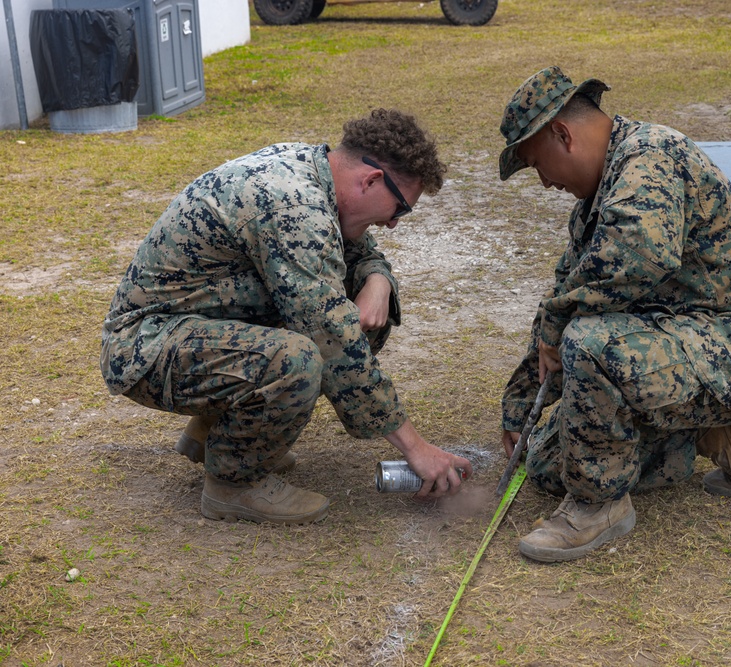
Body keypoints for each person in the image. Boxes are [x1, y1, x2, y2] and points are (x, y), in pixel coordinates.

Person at [101, 108, 472, 525]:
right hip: (146, 346)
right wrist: (415, 449)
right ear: (370, 180)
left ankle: (212, 435)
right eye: (399, 208)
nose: (392, 224)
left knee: (350, 309)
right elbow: (333, 338)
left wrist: (378, 281)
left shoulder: (313, 173)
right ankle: (233, 484)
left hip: (191, 329)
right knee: (299, 355)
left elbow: (357, 254)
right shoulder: (293, 203)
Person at [497, 67, 731, 562]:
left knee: (587, 342)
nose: (543, 182)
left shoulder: (648, 159)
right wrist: (520, 409)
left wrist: (557, 329)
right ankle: (714, 433)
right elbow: (563, 296)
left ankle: (599, 508)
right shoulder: (597, 199)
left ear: (562, 134)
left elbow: (636, 260)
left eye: (536, 164)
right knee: (546, 463)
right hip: (668, 346)